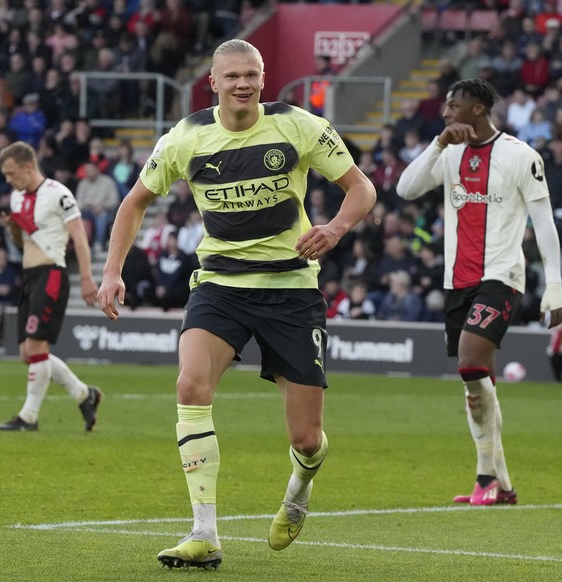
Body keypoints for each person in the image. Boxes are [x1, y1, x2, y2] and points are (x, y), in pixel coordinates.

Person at [97, 39, 376, 569]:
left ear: (263, 78)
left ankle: (299, 487)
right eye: (232, 76)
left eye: (251, 74)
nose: (242, 84)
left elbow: (360, 188)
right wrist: (112, 271)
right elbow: (134, 202)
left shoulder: (299, 126)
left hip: (291, 288)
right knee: (189, 385)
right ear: (214, 83)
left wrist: (336, 228)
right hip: (220, 285)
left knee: (307, 437)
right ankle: (204, 533)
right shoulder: (186, 138)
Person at [397, 78, 562, 506]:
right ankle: (499, 484)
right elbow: (405, 189)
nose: (447, 112)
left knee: (472, 366)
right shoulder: (449, 153)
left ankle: (486, 477)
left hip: (501, 276)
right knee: (480, 383)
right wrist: (436, 144)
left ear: (477, 109)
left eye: (453, 105)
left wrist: (555, 286)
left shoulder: (520, 155)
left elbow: (544, 223)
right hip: (457, 281)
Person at [0, 141, 103, 433]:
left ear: (29, 166)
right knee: (28, 354)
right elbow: (23, 243)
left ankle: (28, 417)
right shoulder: (17, 199)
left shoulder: (59, 194)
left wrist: (88, 277)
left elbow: (79, 237)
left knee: (36, 347)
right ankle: (84, 394)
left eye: (11, 173)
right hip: (28, 277)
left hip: (51, 273)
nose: (8, 179)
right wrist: (14, 230)